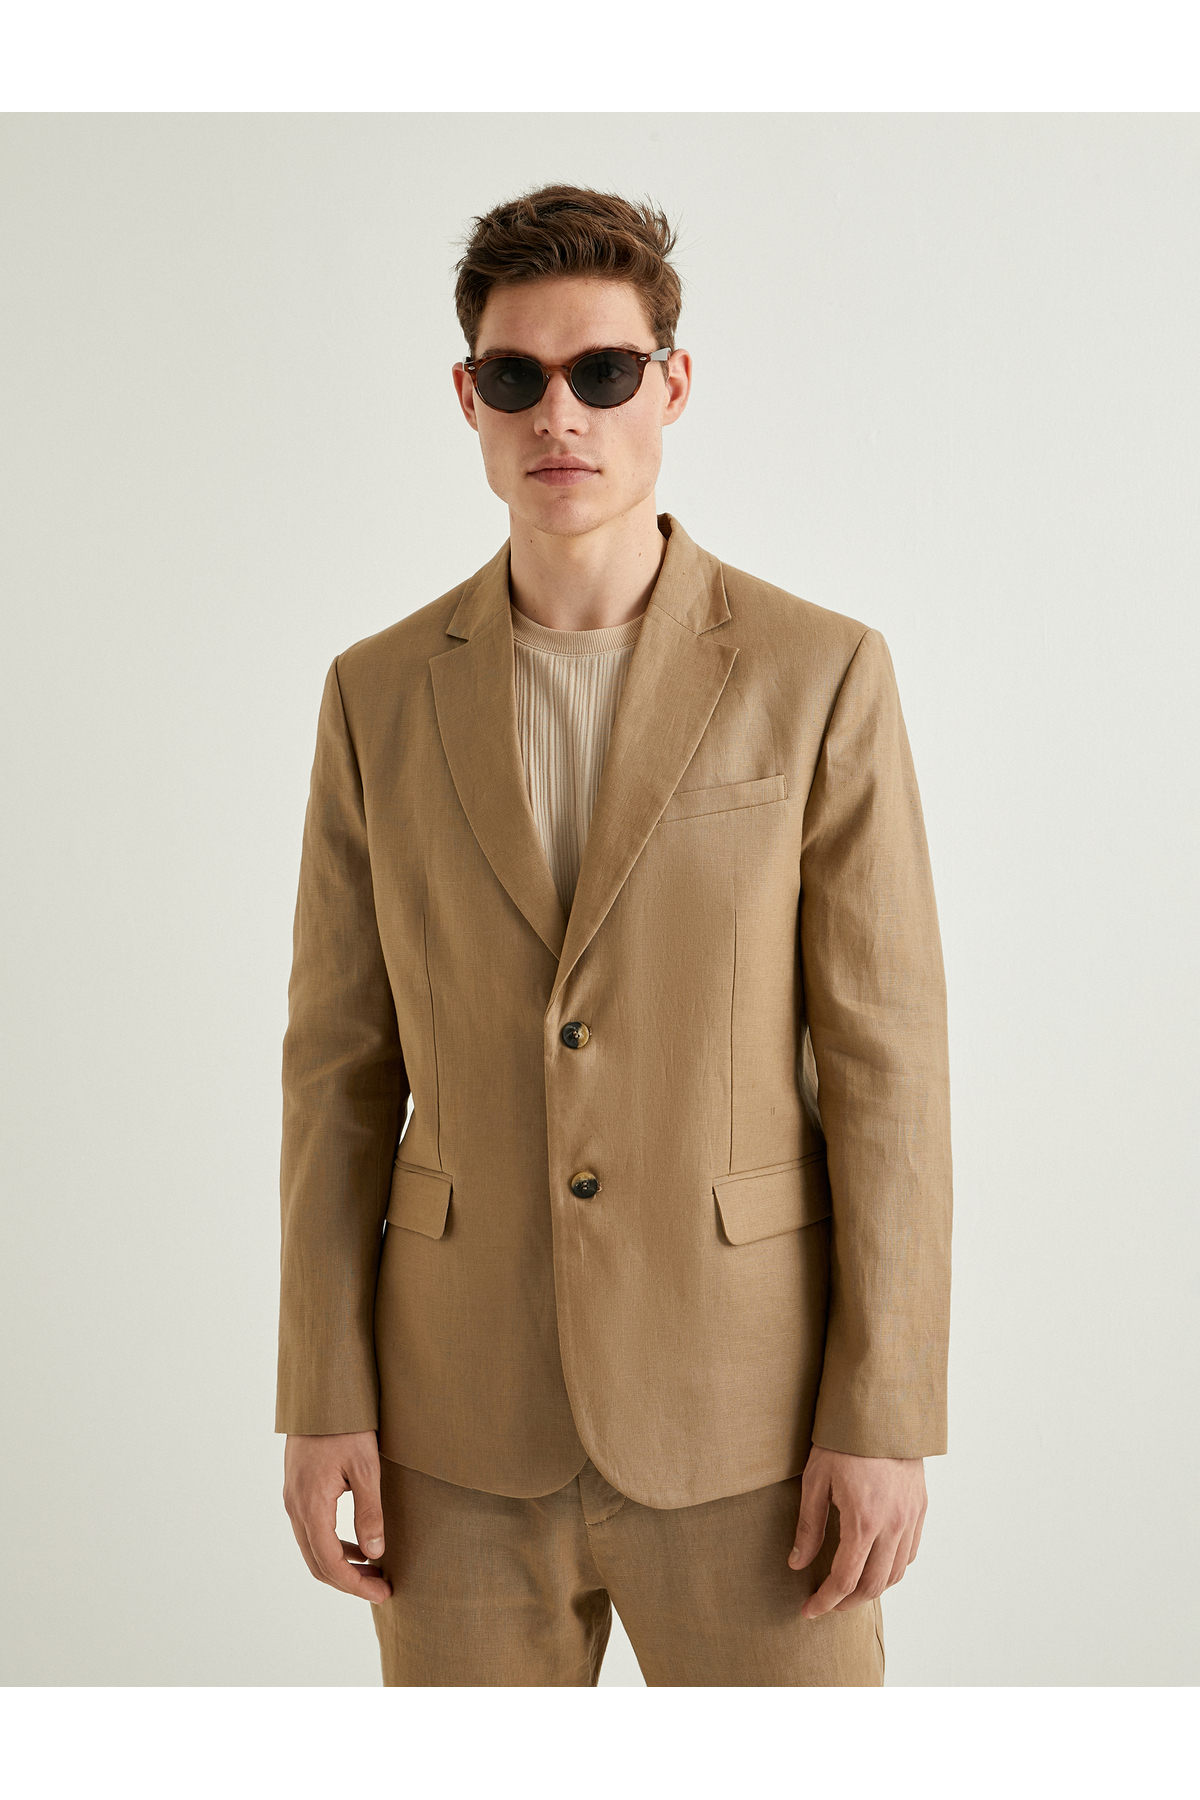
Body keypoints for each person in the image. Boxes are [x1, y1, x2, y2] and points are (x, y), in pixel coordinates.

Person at [276, 183, 953, 1687]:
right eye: (516, 376)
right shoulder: (375, 694)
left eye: (603, 370)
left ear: (673, 384)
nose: (560, 415)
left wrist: (885, 1411)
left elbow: (888, 1070)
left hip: (754, 1428)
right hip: (454, 1428)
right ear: (469, 397)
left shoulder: (819, 674)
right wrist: (321, 1390)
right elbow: (337, 1069)